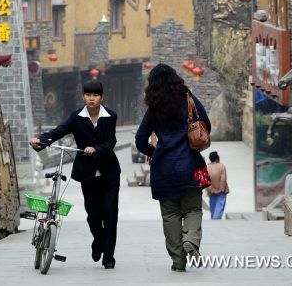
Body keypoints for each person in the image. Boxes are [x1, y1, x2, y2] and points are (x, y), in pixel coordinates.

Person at [29, 80, 120, 269]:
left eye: (95, 95)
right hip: (87, 173)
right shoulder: (76, 117)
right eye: (88, 95)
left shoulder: (110, 116)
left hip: (109, 173)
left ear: (101, 98)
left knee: (110, 214)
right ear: (83, 96)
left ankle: (108, 257)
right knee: (93, 215)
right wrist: (41, 140)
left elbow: (111, 142)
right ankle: (98, 241)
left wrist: (95, 149)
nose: (91, 98)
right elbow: (59, 131)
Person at [135, 63, 211, 272]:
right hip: (190, 166)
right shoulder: (188, 100)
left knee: (170, 215)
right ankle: (191, 241)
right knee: (193, 209)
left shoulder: (154, 108)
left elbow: (141, 140)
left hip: (163, 169)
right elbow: (207, 125)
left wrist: (155, 152)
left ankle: (178, 261)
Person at [206, 151, 229, 220]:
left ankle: (213, 217)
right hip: (221, 191)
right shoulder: (221, 166)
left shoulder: (206, 167)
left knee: (212, 205)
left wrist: (212, 189)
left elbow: (206, 181)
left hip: (211, 191)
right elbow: (223, 179)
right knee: (220, 204)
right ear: (217, 159)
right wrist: (221, 189)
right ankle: (216, 219)